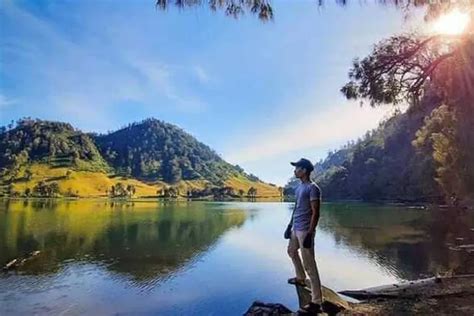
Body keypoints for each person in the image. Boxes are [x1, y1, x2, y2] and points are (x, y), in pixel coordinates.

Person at [285, 158, 323, 314]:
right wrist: (289, 226)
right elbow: (296, 208)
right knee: (291, 251)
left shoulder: (313, 188)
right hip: (296, 228)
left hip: (305, 231)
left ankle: (317, 302)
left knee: (310, 265)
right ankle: (300, 278)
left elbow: (316, 213)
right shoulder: (299, 187)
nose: (295, 171)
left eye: (297, 168)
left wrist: (310, 233)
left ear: (304, 171)